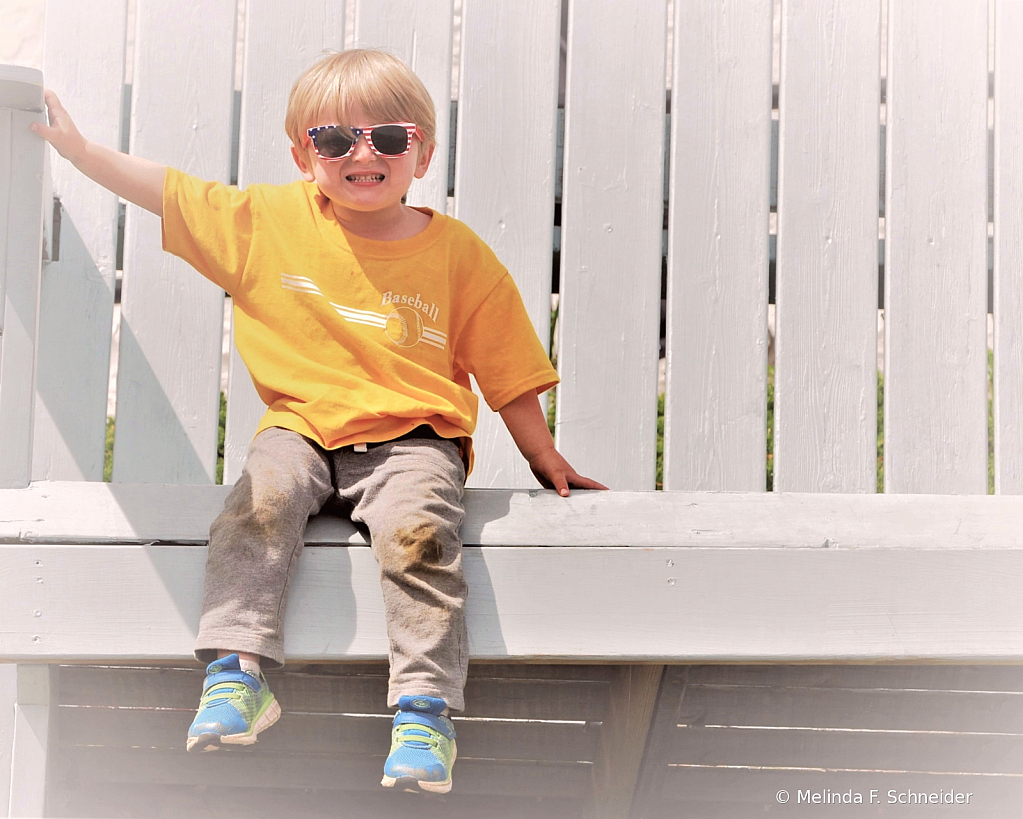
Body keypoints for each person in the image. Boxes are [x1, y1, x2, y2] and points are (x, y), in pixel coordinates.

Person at [32, 48, 606, 794]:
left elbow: (506, 368)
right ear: (305, 154)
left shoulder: (459, 255)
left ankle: (424, 711)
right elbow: (174, 194)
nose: (362, 154)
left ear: (422, 153)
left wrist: (543, 454)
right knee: (256, 505)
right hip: (299, 428)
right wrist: (80, 153)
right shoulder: (267, 223)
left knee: (421, 536)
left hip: (413, 439)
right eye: (335, 140)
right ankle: (237, 672)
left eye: (389, 139)